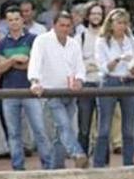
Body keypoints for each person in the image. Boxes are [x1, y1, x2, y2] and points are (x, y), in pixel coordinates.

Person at [27, 12, 90, 169]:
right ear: (53, 25)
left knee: (59, 134)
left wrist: (80, 81)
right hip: (51, 92)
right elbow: (35, 62)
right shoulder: (42, 41)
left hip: (69, 92)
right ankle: (77, 154)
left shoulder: (74, 43)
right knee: (63, 126)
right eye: (61, 25)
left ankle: (56, 167)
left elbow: (80, 67)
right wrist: (35, 81)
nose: (64, 29)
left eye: (68, 26)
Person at [0, 6, 54, 170]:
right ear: (6, 22)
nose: (14, 22)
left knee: (40, 131)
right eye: (10, 20)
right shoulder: (1, 43)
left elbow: (37, 65)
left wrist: (10, 63)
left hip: (31, 91)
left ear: (23, 20)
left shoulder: (34, 39)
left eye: (16, 19)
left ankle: (48, 165)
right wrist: (14, 60)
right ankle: (18, 167)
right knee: (13, 133)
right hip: (9, 92)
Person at [93, 8, 134, 167]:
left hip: (129, 81)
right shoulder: (102, 41)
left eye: (124, 23)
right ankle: (99, 163)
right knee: (104, 127)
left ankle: (128, 162)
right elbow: (103, 67)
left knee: (128, 128)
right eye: (119, 23)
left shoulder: (132, 40)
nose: (122, 26)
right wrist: (117, 59)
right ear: (111, 24)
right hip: (110, 81)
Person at [77, 3, 104, 155]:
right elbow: (76, 62)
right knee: (84, 125)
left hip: (103, 84)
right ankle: (82, 156)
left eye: (99, 14)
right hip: (86, 83)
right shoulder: (80, 37)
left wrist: (95, 65)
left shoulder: (107, 37)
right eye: (93, 13)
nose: (96, 17)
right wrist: (91, 65)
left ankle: (101, 158)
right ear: (88, 16)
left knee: (103, 126)